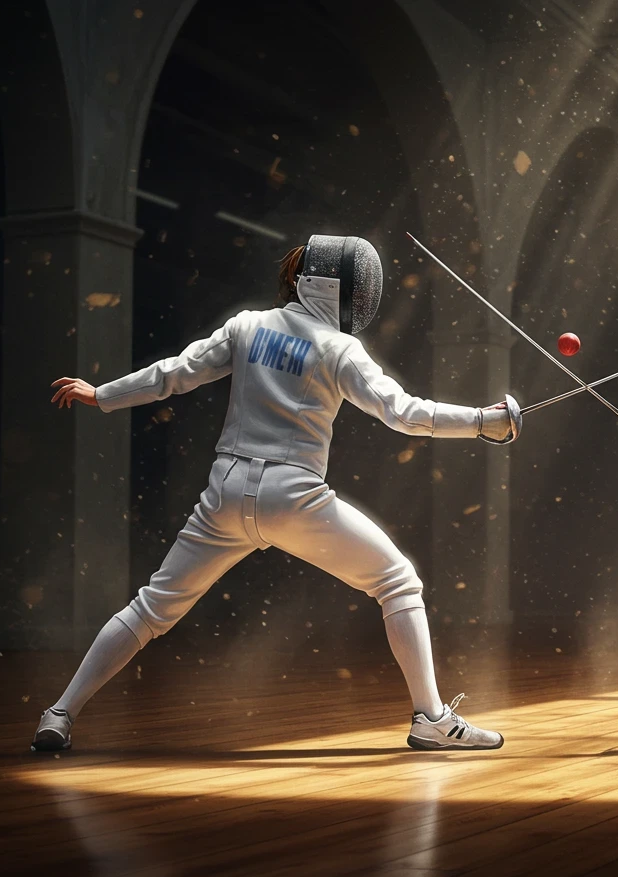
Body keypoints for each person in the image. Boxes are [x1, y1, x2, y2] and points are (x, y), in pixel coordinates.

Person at [33, 235, 520, 752]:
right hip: (294, 499)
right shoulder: (339, 349)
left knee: (150, 610)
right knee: (398, 583)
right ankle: (431, 718)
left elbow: (175, 374)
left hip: (224, 493)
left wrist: (100, 394)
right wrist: (483, 423)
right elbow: (404, 414)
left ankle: (59, 714)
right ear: (343, 289)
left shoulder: (248, 326)